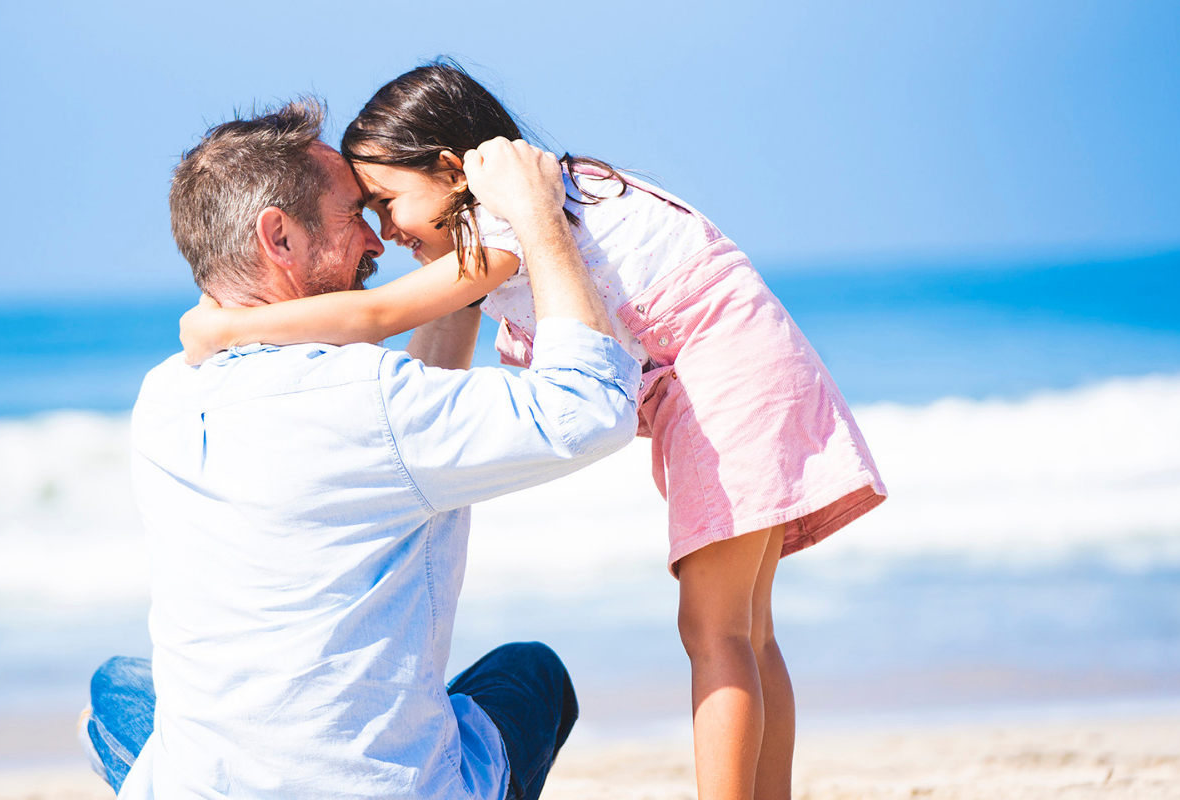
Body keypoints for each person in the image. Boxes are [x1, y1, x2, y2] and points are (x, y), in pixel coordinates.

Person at [178, 62, 888, 800]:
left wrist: (232, 328)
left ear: (454, 170)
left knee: (715, 634)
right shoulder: (532, 203)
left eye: (388, 201)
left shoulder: (508, 220)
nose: (386, 232)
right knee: (746, 633)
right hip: (747, 367)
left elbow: (378, 317)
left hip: (729, 378)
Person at [83, 100, 642, 800]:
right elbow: (589, 407)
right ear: (278, 238)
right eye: (354, 214)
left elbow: (396, 431)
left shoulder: (162, 397)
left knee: (118, 691)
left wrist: (453, 274)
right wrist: (535, 219)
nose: (378, 241)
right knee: (531, 674)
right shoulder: (366, 396)